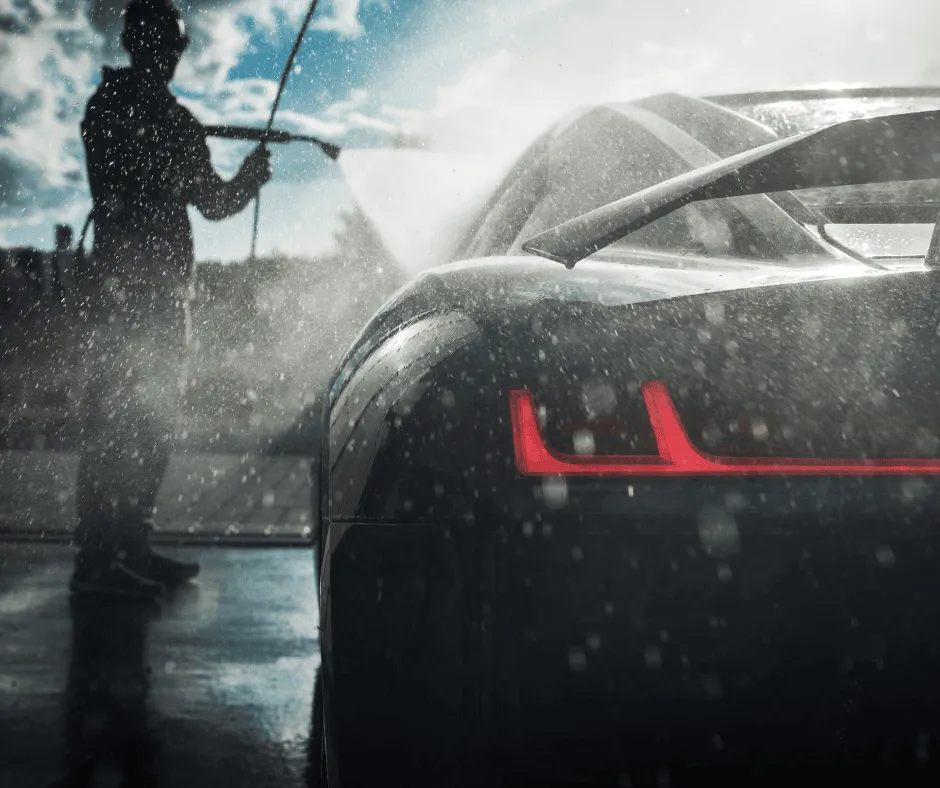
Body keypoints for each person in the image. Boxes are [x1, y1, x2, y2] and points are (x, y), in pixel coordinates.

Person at [72, 0, 272, 599]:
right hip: (130, 296)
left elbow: (209, 201)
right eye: (169, 46)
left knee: (148, 424)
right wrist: (244, 180)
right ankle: (101, 558)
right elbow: (200, 199)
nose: (174, 57)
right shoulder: (126, 113)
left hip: (156, 297)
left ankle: (125, 547)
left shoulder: (140, 113)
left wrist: (244, 180)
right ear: (145, 44)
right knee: (119, 422)